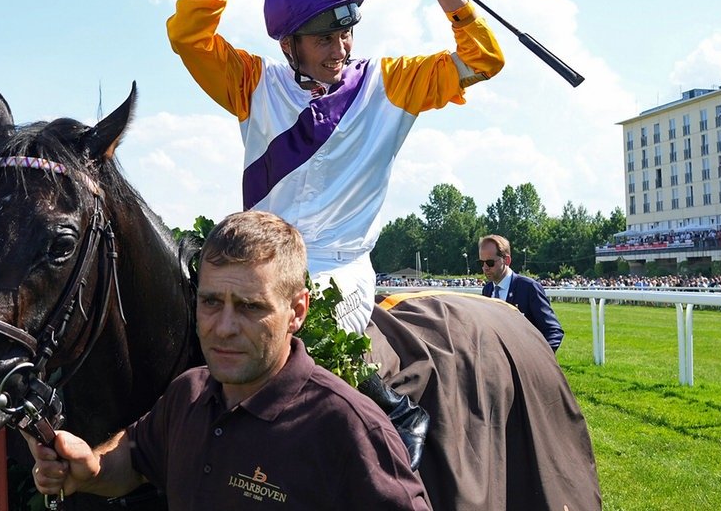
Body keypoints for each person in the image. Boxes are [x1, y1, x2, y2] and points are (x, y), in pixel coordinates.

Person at [167, 0, 505, 334]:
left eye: (346, 34)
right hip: (260, 262)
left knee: (295, 336)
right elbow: (186, 35)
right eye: (324, 39)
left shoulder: (391, 83)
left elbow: (483, 59)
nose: (340, 49)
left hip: (339, 270)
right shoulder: (252, 82)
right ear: (288, 45)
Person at [27, 210, 431, 510]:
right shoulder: (189, 395)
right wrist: (91, 467)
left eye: (250, 307)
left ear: (297, 312)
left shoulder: (348, 428)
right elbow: (135, 458)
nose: (223, 327)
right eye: (210, 302)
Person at [478, 234, 564, 351]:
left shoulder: (529, 288)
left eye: (490, 262)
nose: (485, 268)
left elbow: (553, 331)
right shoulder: (487, 290)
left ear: (506, 260)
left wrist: (537, 358)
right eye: (481, 263)